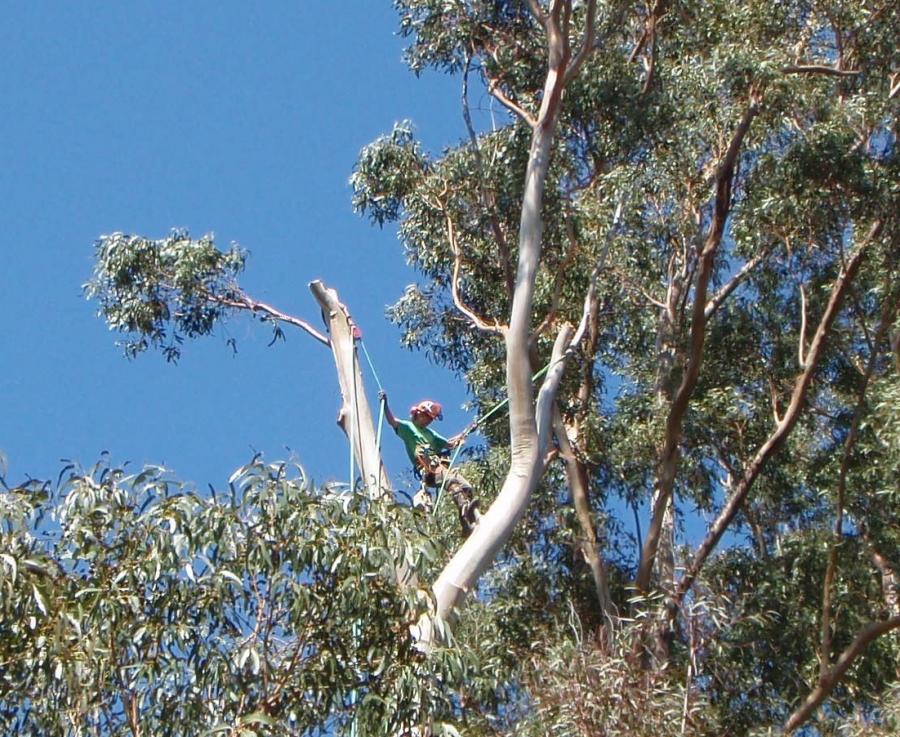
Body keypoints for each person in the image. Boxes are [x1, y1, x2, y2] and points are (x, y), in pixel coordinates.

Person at [379, 391, 480, 537]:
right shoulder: (408, 428)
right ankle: (464, 511)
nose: (428, 421)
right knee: (450, 480)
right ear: (418, 414)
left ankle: (467, 519)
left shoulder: (431, 434)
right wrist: (385, 404)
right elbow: (392, 421)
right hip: (427, 467)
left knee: (465, 486)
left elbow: (450, 444)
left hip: (438, 465)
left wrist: (468, 430)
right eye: (426, 417)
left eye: (430, 419)